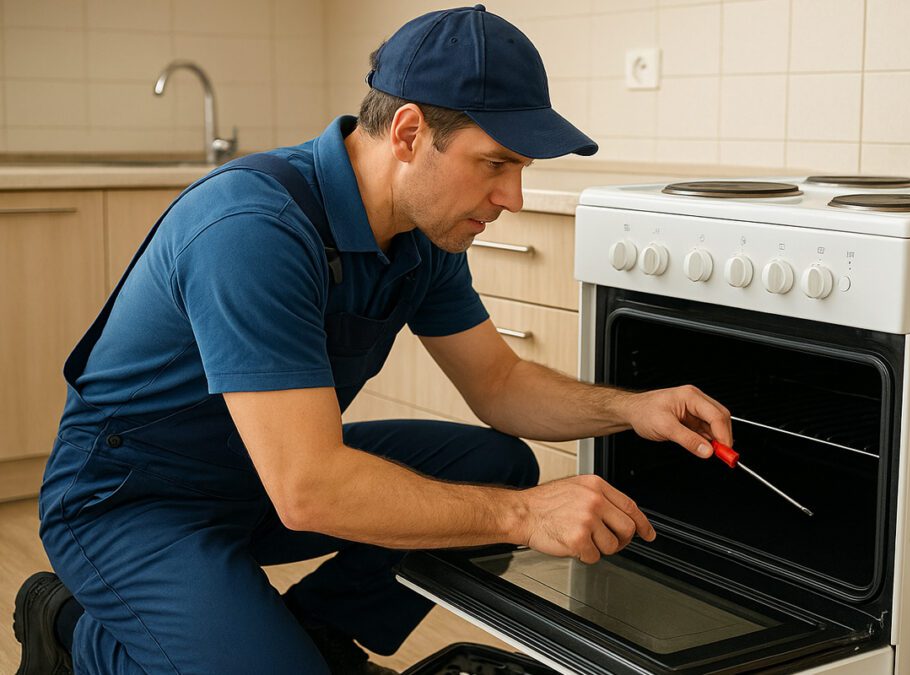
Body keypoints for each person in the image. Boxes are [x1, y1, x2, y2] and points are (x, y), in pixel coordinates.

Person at [14, 5, 732, 674]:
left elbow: (500, 384)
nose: (512, 198)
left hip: (260, 477)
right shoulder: (253, 229)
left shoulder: (423, 235)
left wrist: (632, 407)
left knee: (498, 465)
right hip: (134, 499)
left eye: (522, 170)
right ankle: (70, 627)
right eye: (496, 163)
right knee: (500, 499)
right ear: (410, 133)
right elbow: (309, 489)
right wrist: (523, 516)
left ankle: (319, 632)